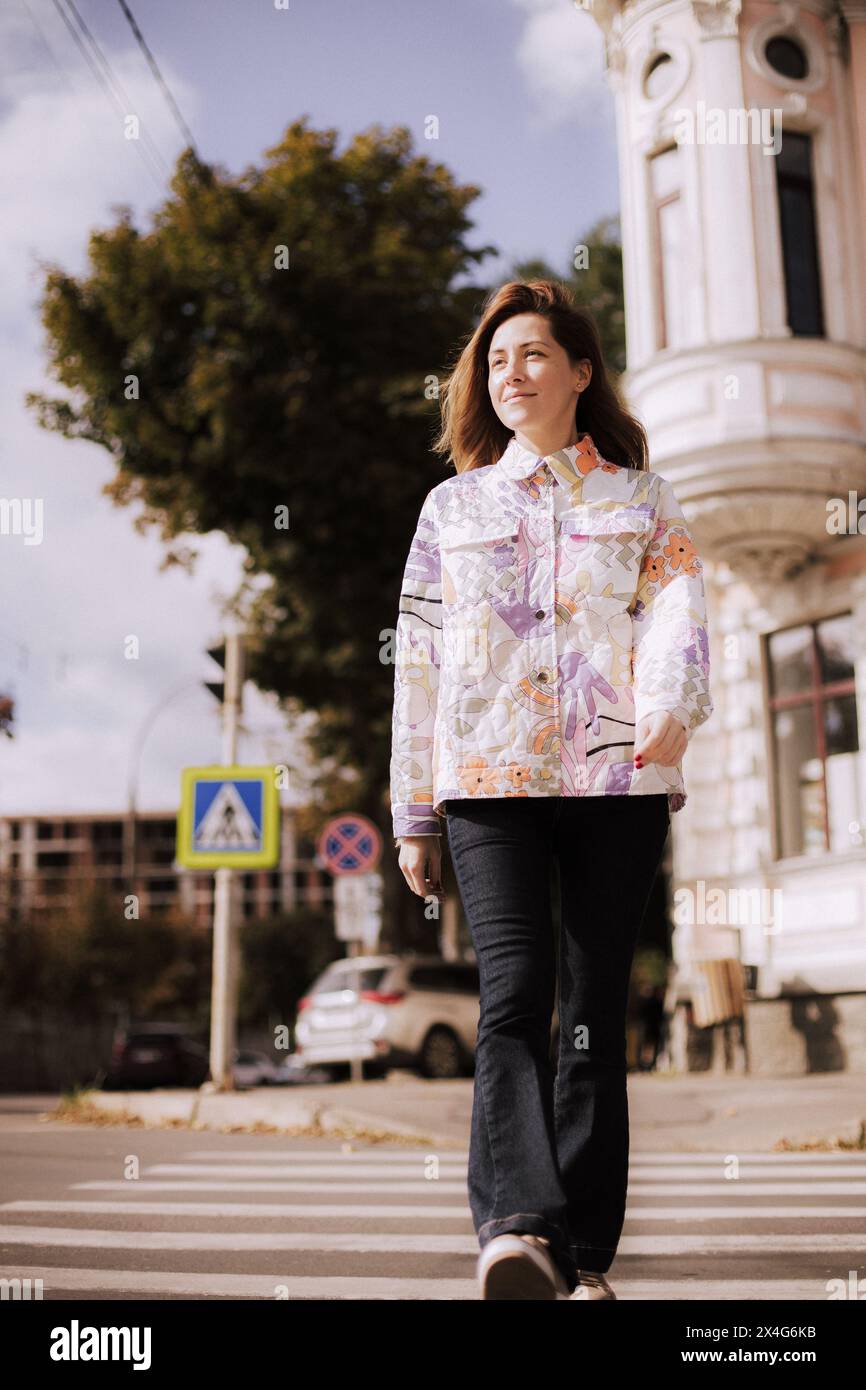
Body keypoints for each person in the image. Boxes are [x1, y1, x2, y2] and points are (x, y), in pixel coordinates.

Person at [389, 278, 713, 1300]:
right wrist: (410, 809)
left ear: (579, 372)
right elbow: (419, 664)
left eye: (531, 355)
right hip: (487, 783)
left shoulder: (640, 498)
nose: (510, 373)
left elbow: (677, 612)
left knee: (590, 1012)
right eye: (495, 361)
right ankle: (516, 1228)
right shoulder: (452, 509)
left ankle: (578, 1257)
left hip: (615, 779)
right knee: (514, 997)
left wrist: (670, 707)